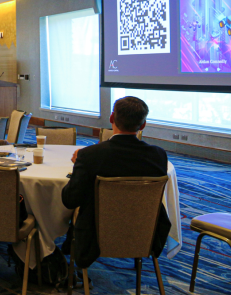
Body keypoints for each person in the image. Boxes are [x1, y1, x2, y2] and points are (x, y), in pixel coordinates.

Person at [62, 96, 171, 269]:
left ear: (112, 118)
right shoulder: (158, 155)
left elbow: (70, 200)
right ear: (143, 125)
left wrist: (78, 168)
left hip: (96, 233)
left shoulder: (89, 155)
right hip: (144, 230)